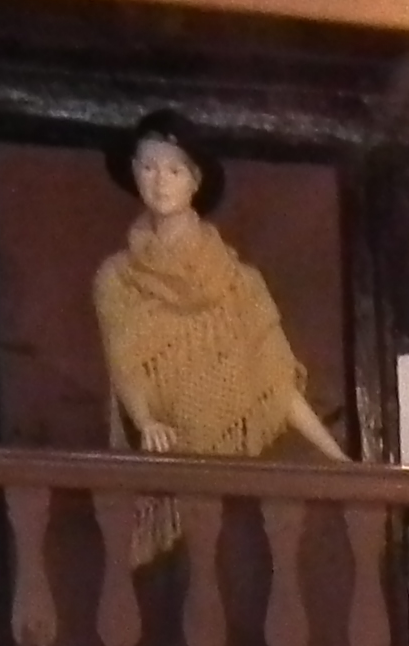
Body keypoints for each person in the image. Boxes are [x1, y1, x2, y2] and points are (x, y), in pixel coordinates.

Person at [95, 108, 348, 567]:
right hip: (163, 477)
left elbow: (276, 383)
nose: (160, 181)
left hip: (227, 492)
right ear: (134, 172)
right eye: (148, 166)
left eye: (175, 170)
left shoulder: (240, 283)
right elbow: (124, 361)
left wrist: (337, 458)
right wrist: (146, 420)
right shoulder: (116, 278)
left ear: (195, 181)